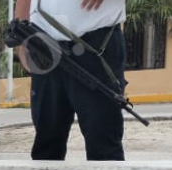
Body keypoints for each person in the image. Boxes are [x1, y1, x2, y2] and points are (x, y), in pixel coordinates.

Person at [15, 0, 128, 161]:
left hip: (97, 43)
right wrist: (22, 39)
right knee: (45, 146)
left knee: (103, 143)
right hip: (43, 45)